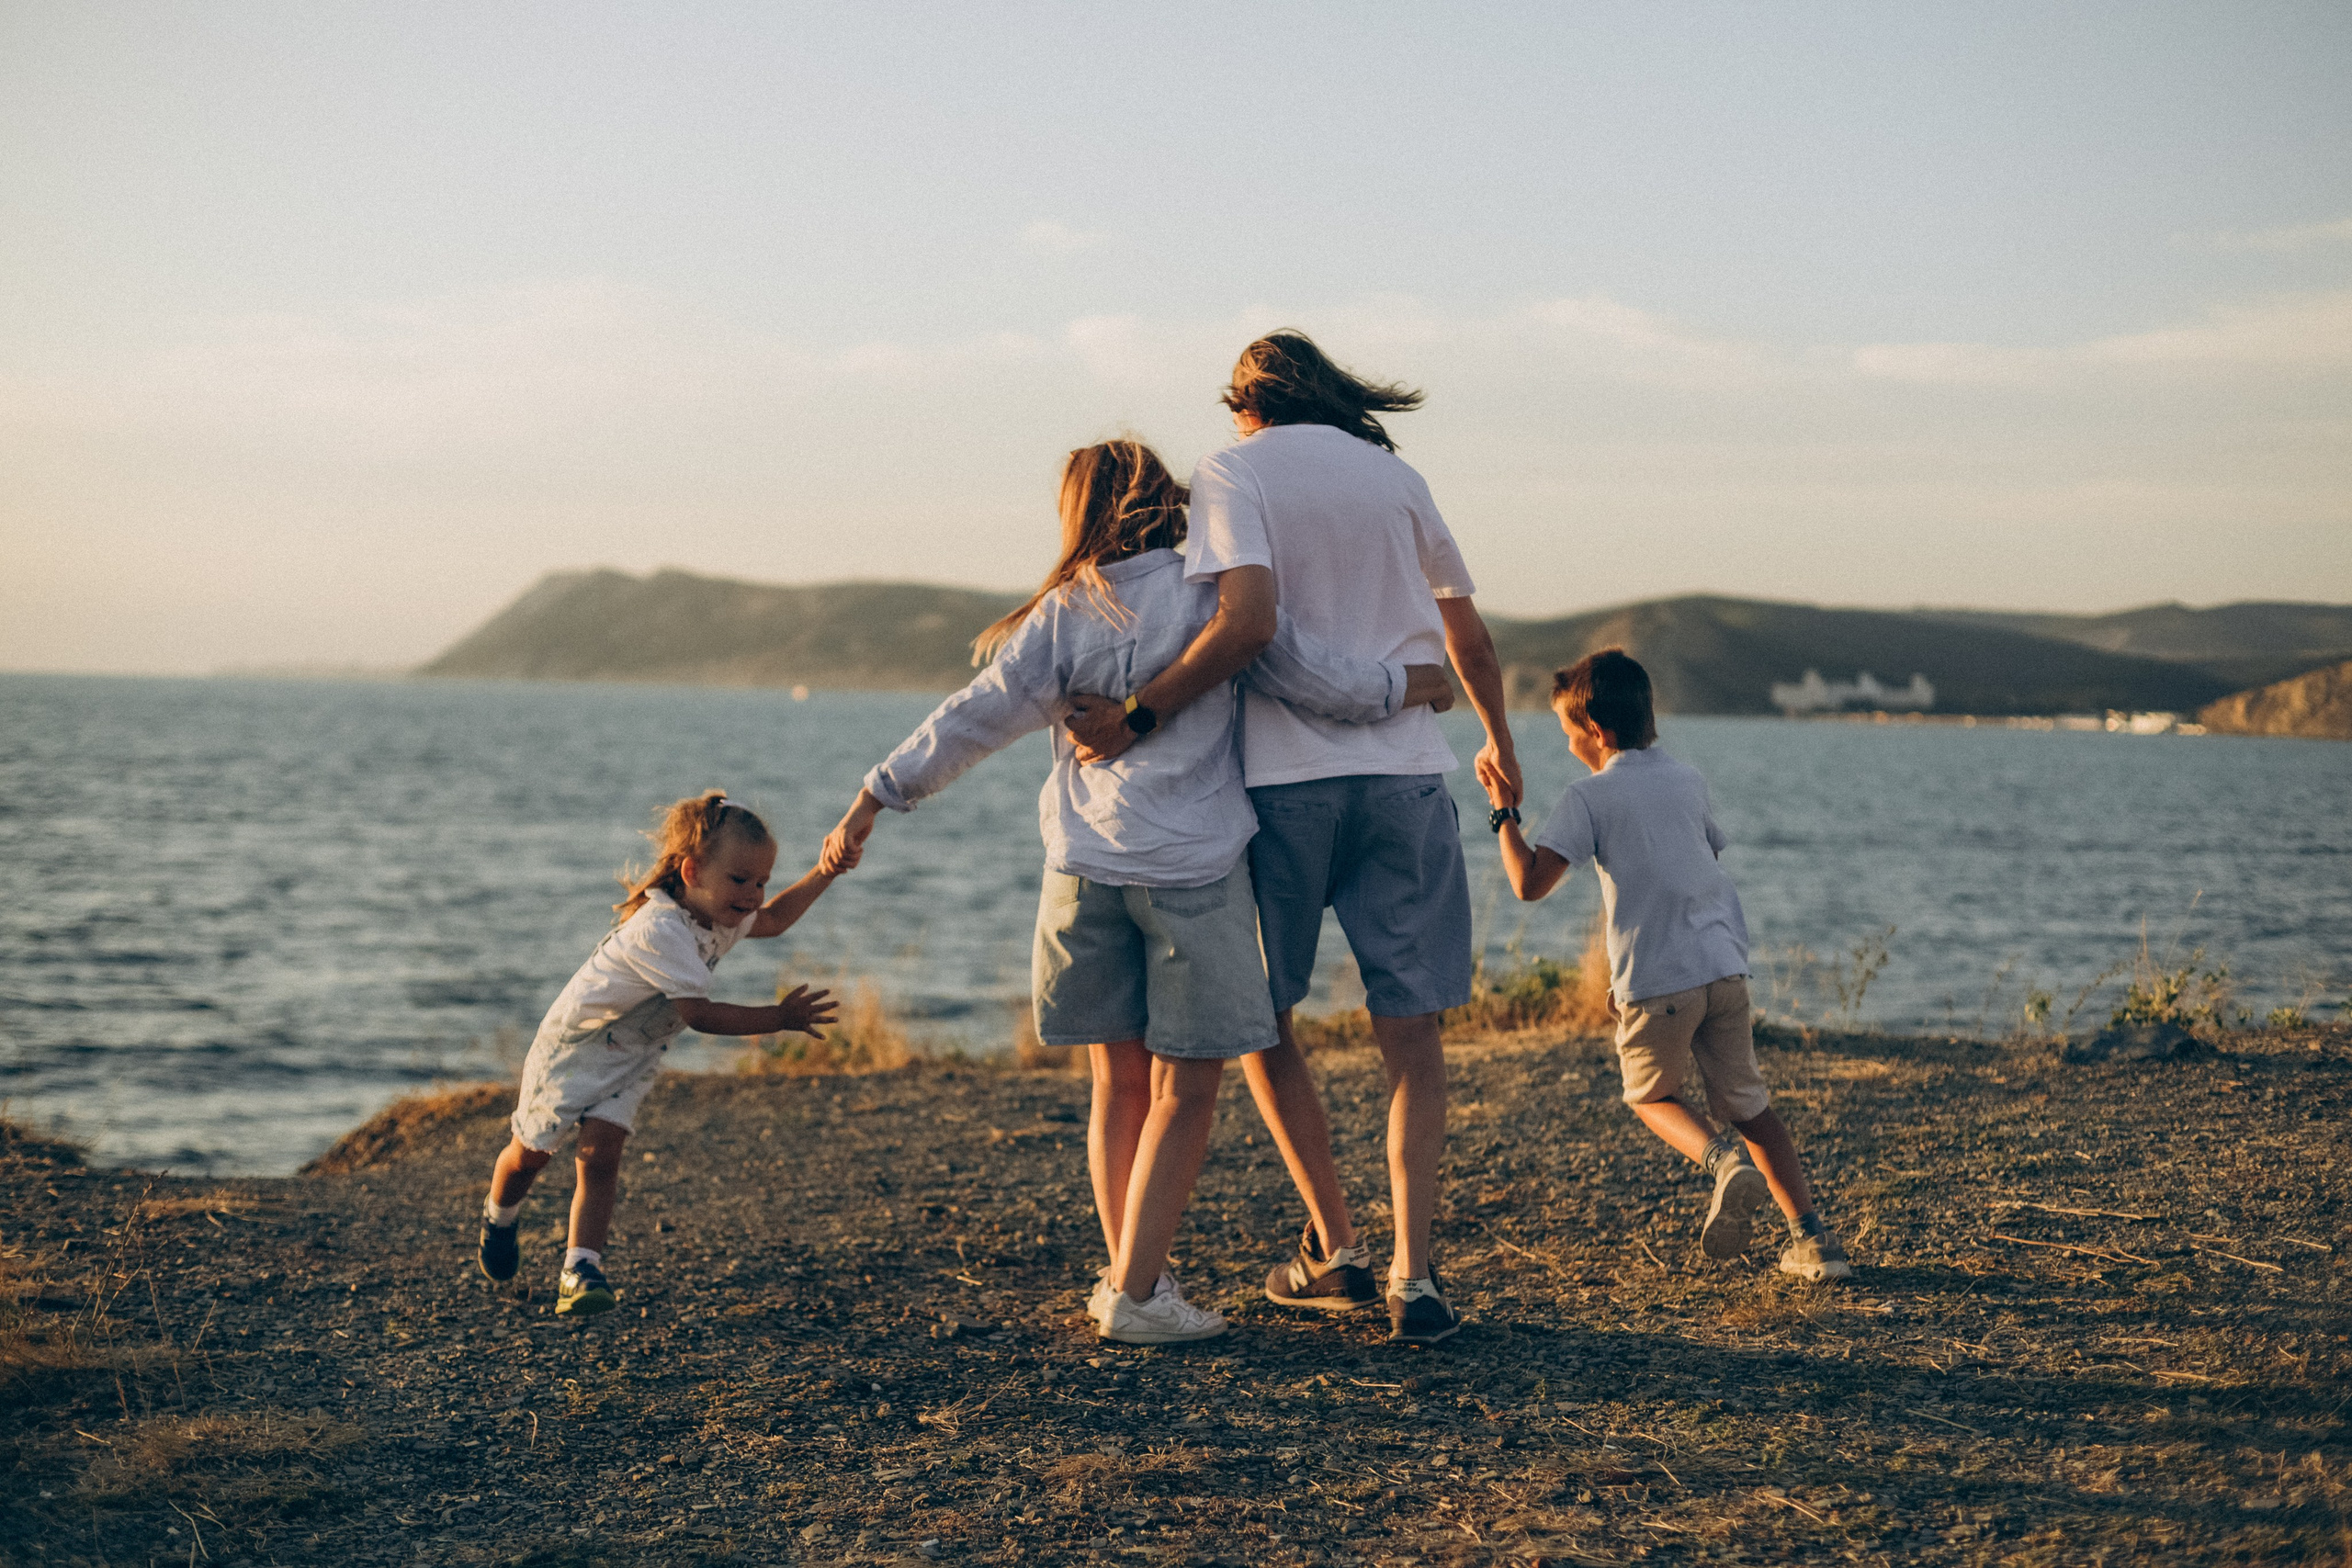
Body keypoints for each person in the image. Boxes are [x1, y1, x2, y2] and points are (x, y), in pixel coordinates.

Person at [825, 439, 1453, 1346]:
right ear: (1169, 499)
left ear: (1079, 514)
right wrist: (1414, 684)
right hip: (1190, 873)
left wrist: (876, 794)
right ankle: (1136, 1292)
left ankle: (1128, 1272)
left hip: (1081, 873)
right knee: (1184, 1090)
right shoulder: (1213, 597)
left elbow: (972, 717)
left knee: (1114, 1084)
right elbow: (1314, 679)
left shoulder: (1062, 612)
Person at [1069, 332, 1518, 1346]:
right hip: (1407, 780)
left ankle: (1335, 1244)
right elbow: (1469, 637)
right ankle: (1415, 1277)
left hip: (1283, 786)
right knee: (1414, 1040)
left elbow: (1245, 626)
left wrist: (1137, 716)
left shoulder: (1233, 470)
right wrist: (1497, 743)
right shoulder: (1396, 479)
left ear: (1245, 403)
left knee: (1262, 1017)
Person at [1488, 649, 1851, 1281]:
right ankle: (1814, 1243)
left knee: (1649, 1092)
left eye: (1568, 731)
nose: (1569, 743)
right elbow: (1690, 859)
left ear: (1596, 733)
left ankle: (1720, 1163)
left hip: (1660, 984)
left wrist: (1503, 812)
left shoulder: (1588, 795)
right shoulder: (1687, 779)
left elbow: (1527, 883)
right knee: (1752, 1107)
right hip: (1724, 968)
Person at [477, 794, 846, 1314]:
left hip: (633, 1054)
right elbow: (699, 1013)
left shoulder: (718, 912)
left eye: (762, 881)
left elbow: (777, 918)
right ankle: (499, 1217)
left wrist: (826, 870)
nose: (755, 894)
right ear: (693, 871)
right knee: (529, 1156)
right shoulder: (661, 929)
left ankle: (580, 1269)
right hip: (574, 1051)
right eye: (741, 880)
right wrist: (778, 1018)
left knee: (601, 1155)